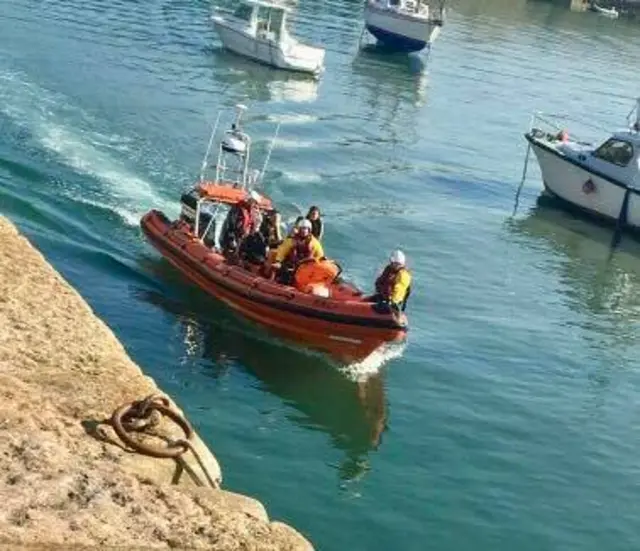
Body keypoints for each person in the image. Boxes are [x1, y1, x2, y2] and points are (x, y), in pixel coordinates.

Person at [272, 219, 324, 284]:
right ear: (299, 229)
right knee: (284, 273)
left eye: (306, 229)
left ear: (309, 230)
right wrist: (278, 261)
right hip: (291, 265)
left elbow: (320, 256)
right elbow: (282, 251)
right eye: (302, 228)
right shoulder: (291, 240)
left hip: (306, 267)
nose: (304, 231)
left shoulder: (315, 243)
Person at [220, 190, 262, 256]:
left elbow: (254, 225)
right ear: (249, 199)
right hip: (234, 236)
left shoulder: (253, 212)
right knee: (230, 249)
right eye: (253, 202)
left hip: (245, 238)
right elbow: (231, 223)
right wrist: (232, 237)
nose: (254, 204)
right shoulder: (237, 208)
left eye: (255, 203)